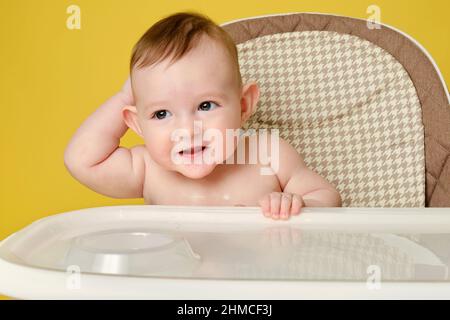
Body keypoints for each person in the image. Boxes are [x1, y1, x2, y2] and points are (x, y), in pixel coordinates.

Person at [64, 11, 342, 220]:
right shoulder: (147, 168)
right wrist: (125, 96)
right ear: (137, 123)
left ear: (244, 106)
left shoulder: (268, 154)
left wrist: (299, 204)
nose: (187, 128)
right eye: (161, 113)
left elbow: (328, 196)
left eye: (206, 106)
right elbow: (82, 160)